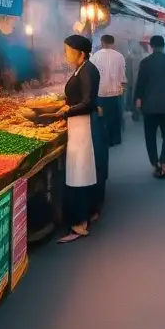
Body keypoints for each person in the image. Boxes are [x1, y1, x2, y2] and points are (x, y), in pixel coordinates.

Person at [54, 35, 108, 240]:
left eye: (68, 50)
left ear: (81, 53)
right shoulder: (82, 69)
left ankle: (80, 222)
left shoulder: (88, 71)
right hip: (78, 124)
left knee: (80, 172)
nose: (65, 54)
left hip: (84, 127)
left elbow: (87, 102)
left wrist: (66, 111)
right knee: (81, 171)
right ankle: (87, 212)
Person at [134, 35, 165, 178]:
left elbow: (140, 84)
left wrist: (137, 100)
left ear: (151, 46)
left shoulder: (145, 62)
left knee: (150, 136)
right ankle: (164, 163)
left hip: (149, 106)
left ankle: (154, 163)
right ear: (164, 46)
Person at [91, 34, 126, 147]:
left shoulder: (95, 56)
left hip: (100, 93)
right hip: (115, 92)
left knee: (102, 118)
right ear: (113, 43)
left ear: (102, 43)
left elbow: (92, 75)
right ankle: (115, 139)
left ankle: (104, 140)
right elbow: (122, 75)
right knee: (115, 117)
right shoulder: (120, 56)